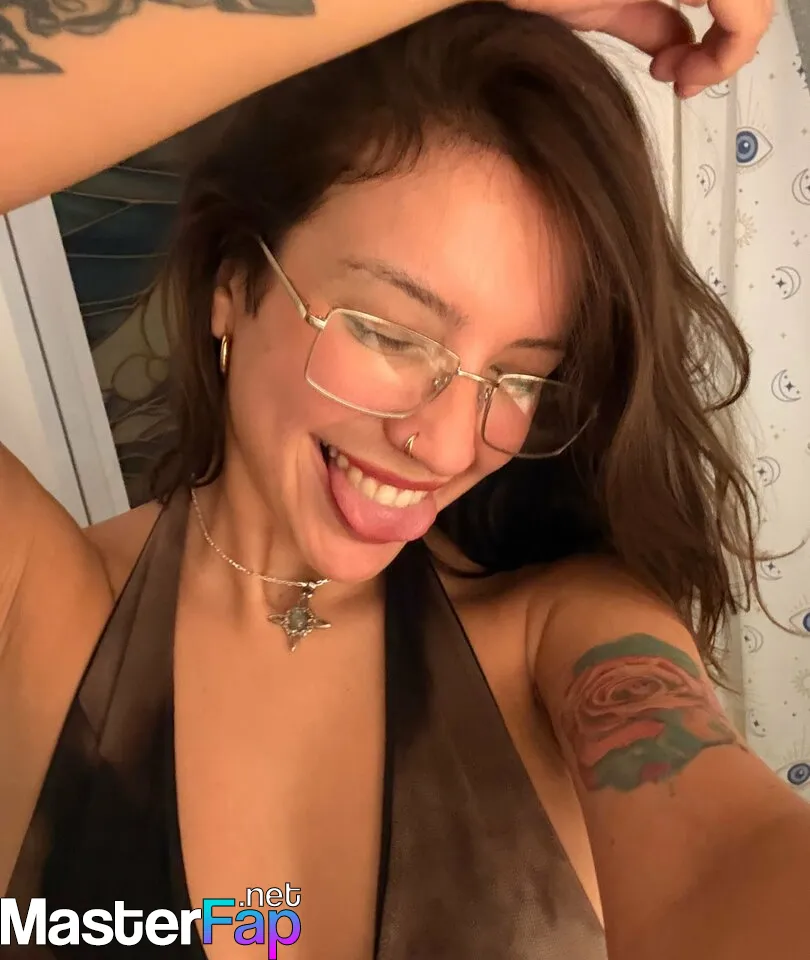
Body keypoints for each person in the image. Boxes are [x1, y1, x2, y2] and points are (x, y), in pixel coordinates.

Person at [2, 1, 805, 959]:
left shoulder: (564, 638)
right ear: (232, 280)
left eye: (519, 377)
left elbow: (728, 862)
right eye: (390, 333)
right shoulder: (36, 610)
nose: (448, 443)